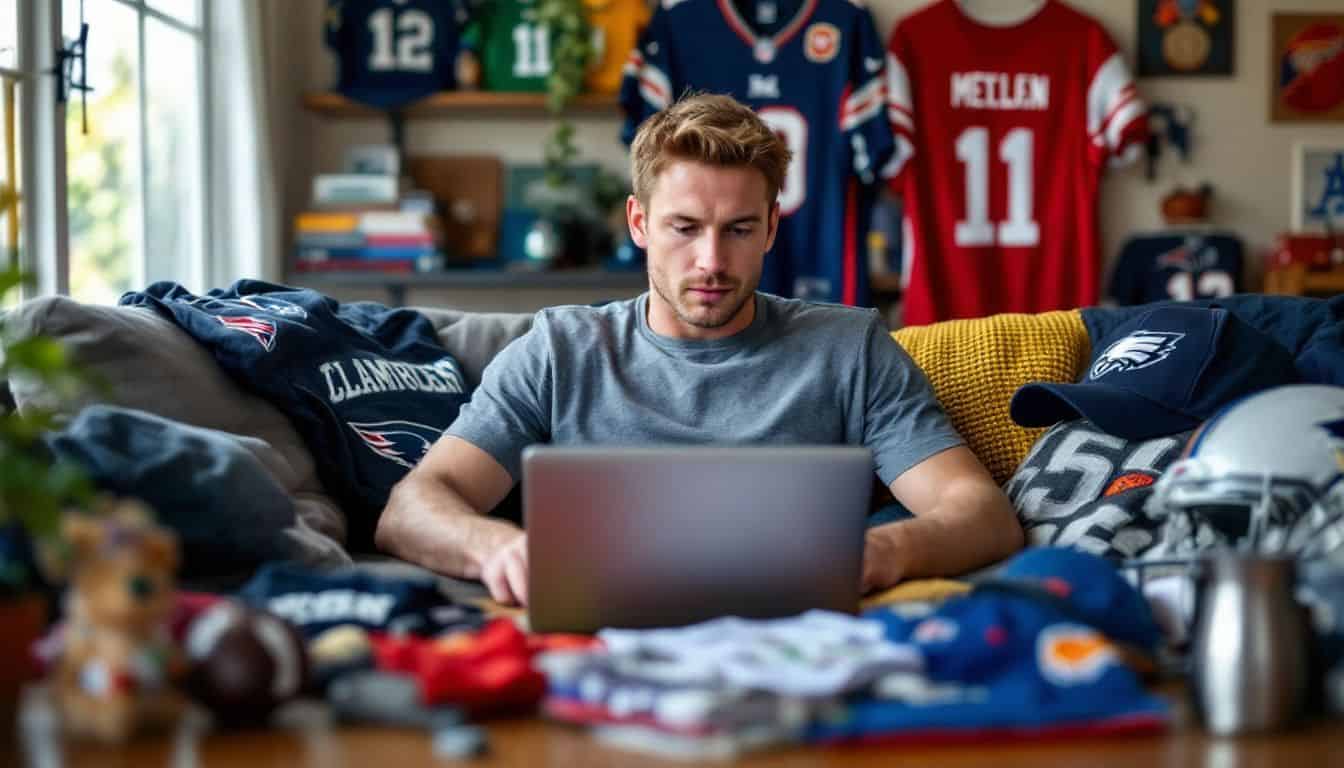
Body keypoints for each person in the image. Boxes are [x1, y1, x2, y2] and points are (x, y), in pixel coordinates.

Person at [377, 93, 1024, 606]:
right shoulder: (558, 350)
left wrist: (882, 553)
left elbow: (981, 515)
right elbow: (412, 507)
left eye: (739, 230)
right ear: (639, 223)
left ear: (771, 226)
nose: (711, 261)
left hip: (798, 637)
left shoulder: (850, 348)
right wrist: (497, 549)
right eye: (684, 228)